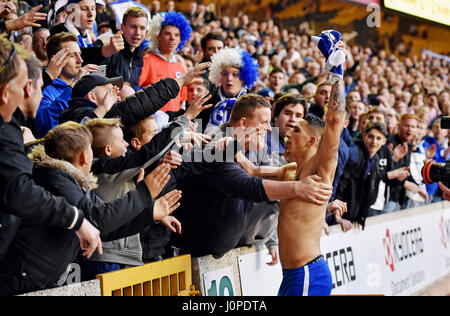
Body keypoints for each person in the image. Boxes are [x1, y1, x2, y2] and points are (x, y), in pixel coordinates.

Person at [0, 121, 181, 295]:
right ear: (84, 156)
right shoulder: (54, 178)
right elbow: (96, 219)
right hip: (20, 280)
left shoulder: (72, 182)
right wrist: (143, 193)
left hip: (32, 279)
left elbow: (101, 228)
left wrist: (149, 214)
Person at [170, 94, 333, 259]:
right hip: (193, 254)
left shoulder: (257, 148)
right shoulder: (217, 146)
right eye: (263, 123)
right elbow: (250, 187)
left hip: (229, 251)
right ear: (243, 124)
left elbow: (271, 183)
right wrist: (298, 188)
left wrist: (321, 209)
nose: (269, 129)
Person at [0, 37, 101, 272]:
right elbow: (19, 191)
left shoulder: (10, 128)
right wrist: (75, 219)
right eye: (24, 84)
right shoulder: (6, 133)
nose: (29, 90)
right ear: (6, 93)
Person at [80, 118, 185, 279]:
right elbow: (146, 155)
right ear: (108, 149)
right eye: (121, 140)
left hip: (122, 256)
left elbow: (125, 201)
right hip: (108, 257)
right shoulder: (104, 169)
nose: (126, 144)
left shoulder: (116, 173)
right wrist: (185, 119)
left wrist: (155, 211)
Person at [34, 32, 98, 138]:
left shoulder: (84, 85)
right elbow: (46, 124)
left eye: (80, 54)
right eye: (72, 56)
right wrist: (73, 86)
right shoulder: (44, 88)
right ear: (56, 59)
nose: (80, 61)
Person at [139, 11, 192, 112]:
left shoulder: (180, 66)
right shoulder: (146, 60)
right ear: (158, 36)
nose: (173, 38)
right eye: (168, 34)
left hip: (174, 123)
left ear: (181, 39)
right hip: (151, 122)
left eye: (177, 35)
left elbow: (182, 100)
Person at [198, 47, 259, 132]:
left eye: (235, 74)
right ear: (219, 76)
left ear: (244, 77)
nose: (229, 78)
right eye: (225, 74)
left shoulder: (255, 104)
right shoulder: (207, 102)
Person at [103, 6, 147, 92]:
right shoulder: (110, 49)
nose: (137, 33)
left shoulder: (139, 56)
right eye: (133, 27)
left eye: (142, 28)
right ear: (122, 27)